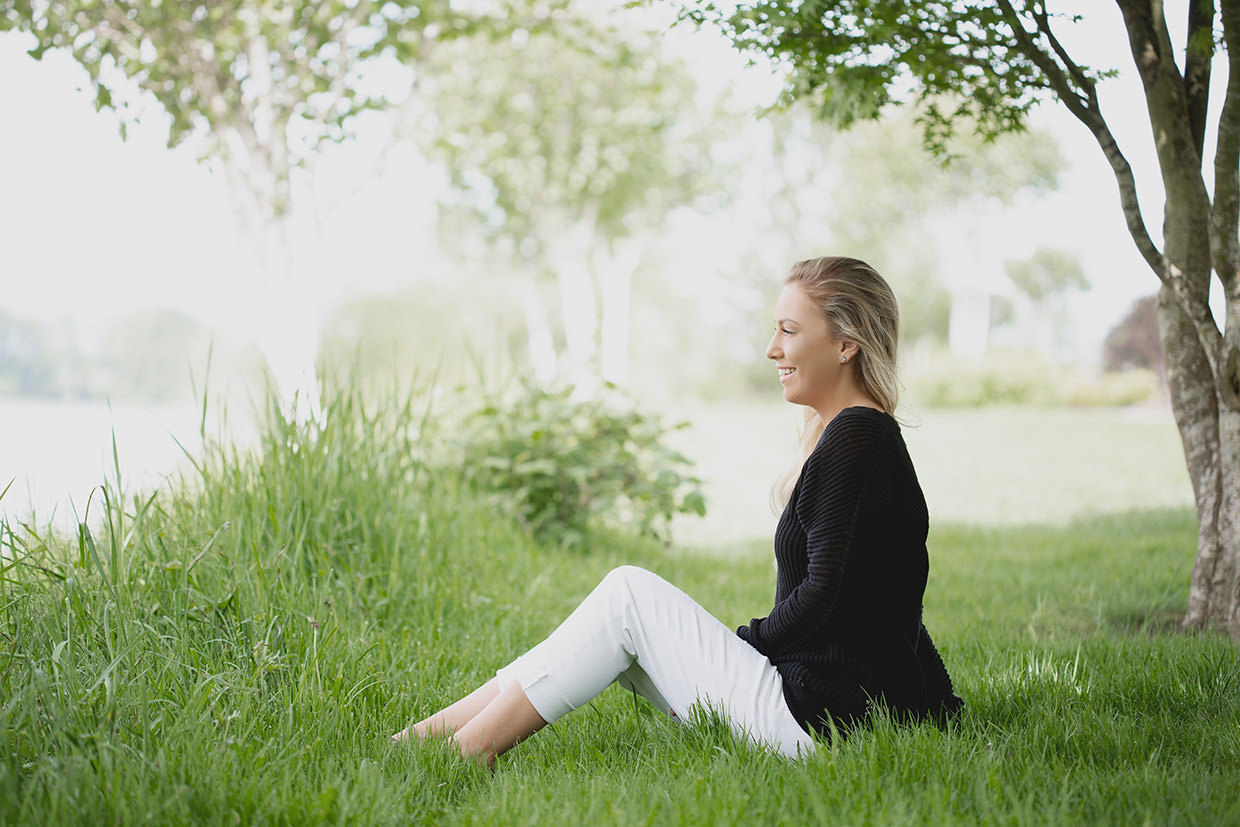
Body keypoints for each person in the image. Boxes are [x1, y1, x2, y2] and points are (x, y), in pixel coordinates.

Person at [392, 256, 962, 765]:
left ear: (846, 344)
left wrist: (745, 643)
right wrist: (936, 702)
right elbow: (895, 597)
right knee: (612, 619)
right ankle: (427, 738)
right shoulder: (860, 437)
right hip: (828, 715)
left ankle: (464, 753)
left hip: (817, 722)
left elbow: (826, 591)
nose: (772, 349)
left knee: (627, 596)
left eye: (789, 331)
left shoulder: (858, 438)